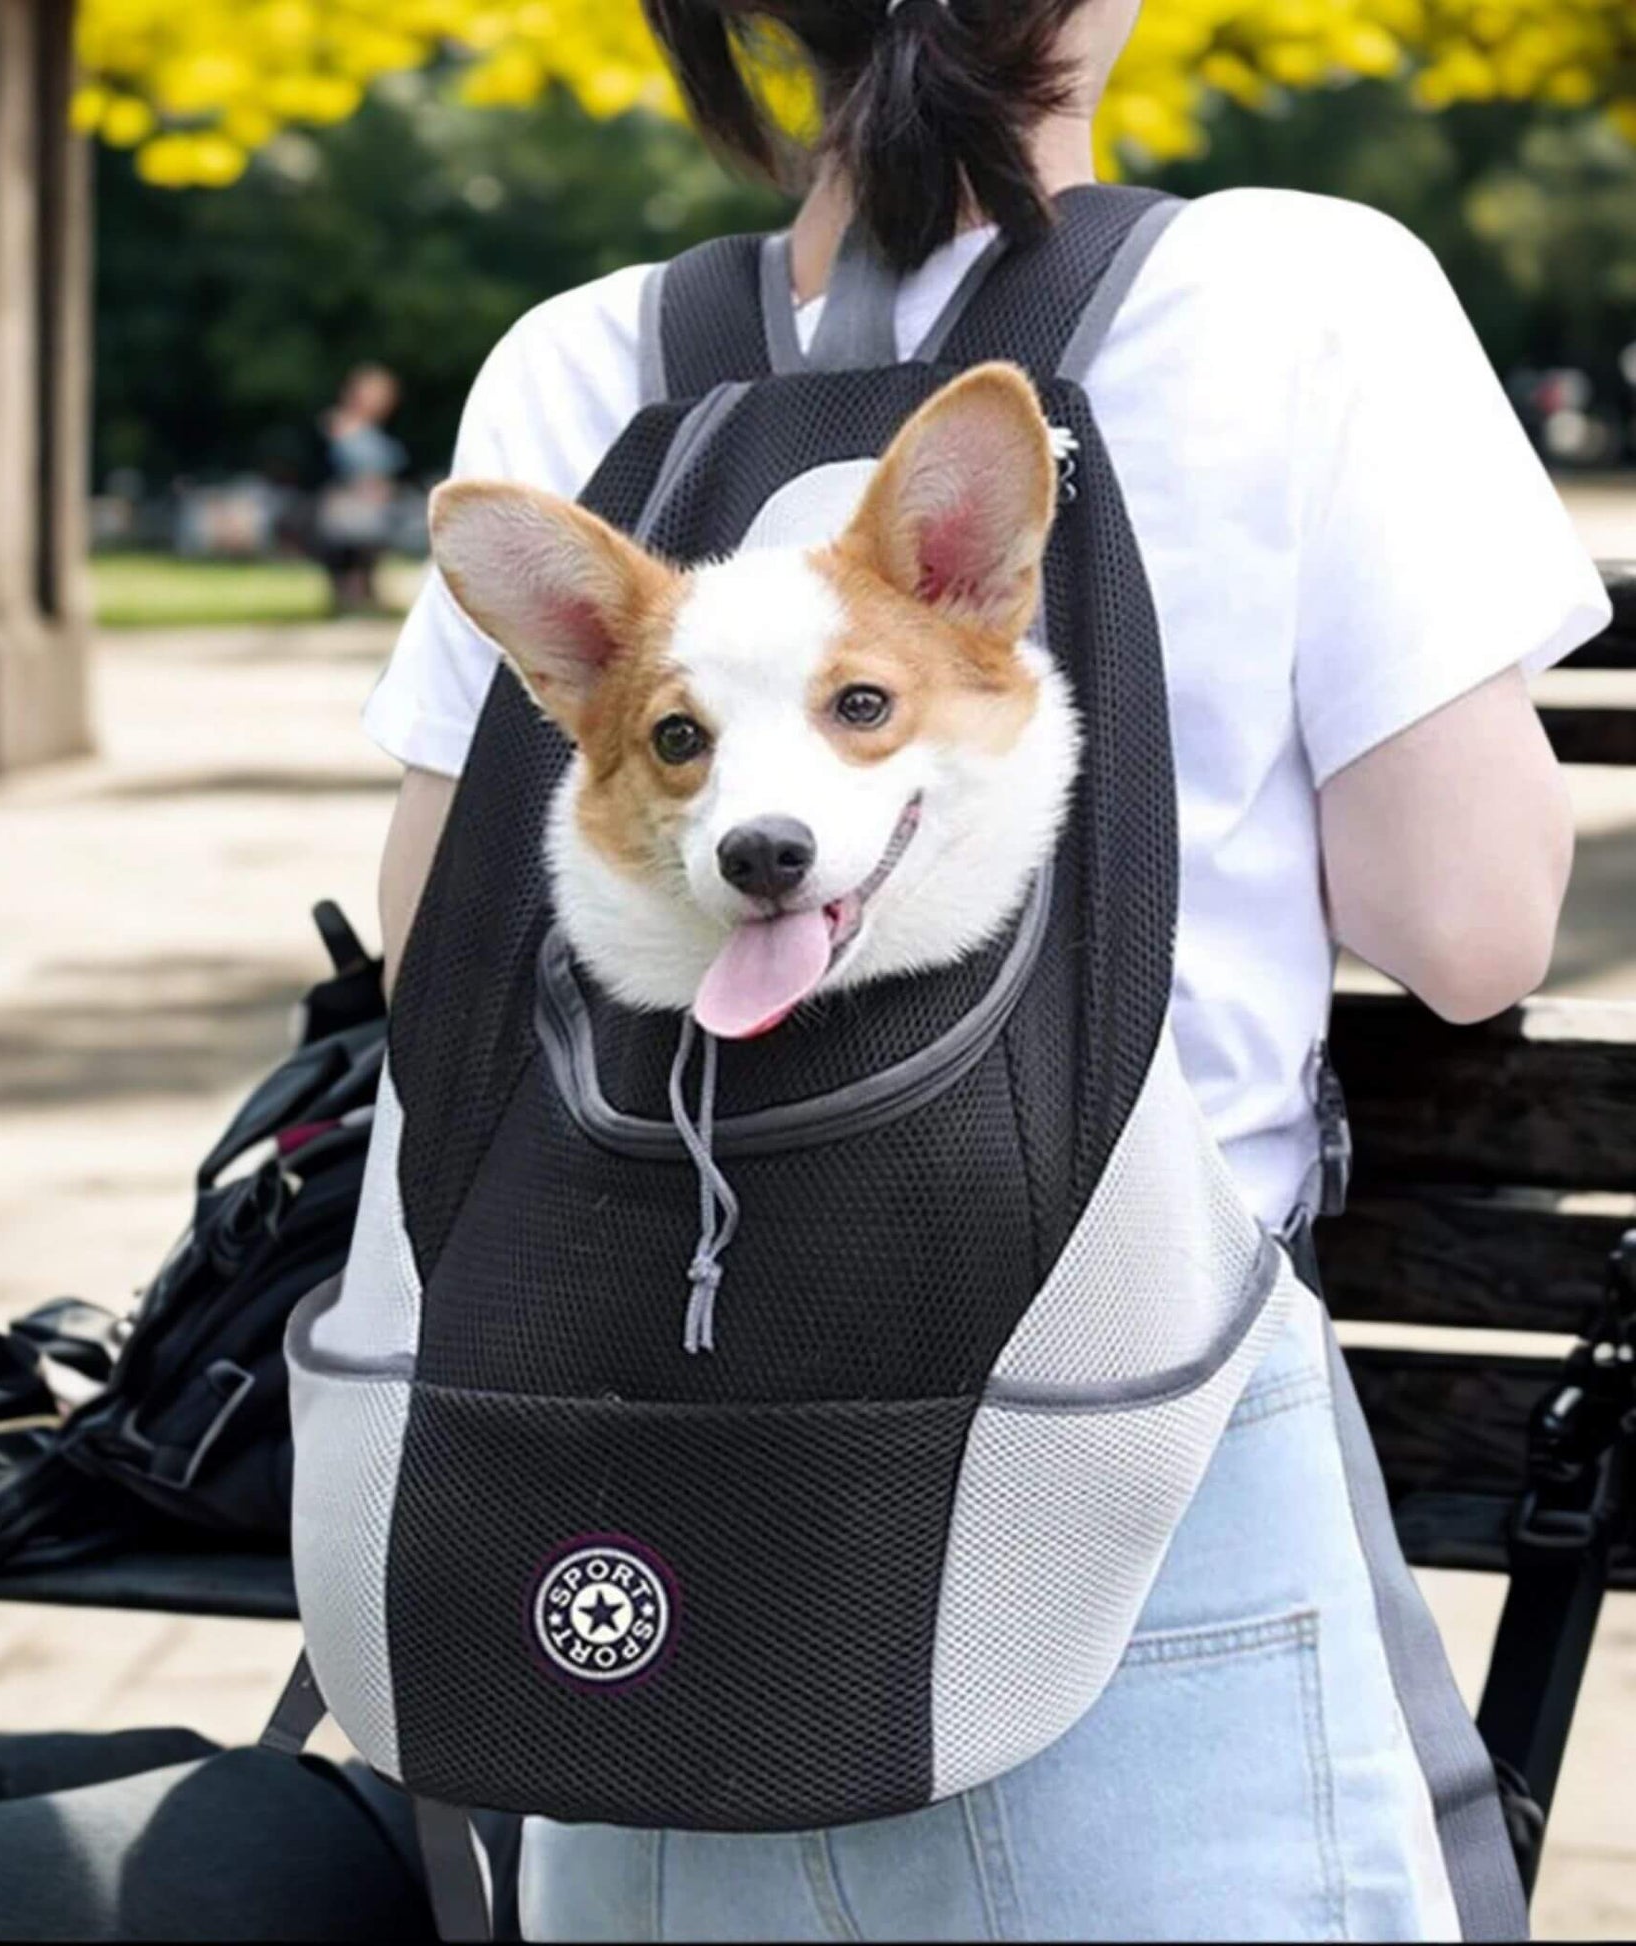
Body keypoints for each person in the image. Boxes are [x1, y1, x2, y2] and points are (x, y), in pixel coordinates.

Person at [364, 0, 1611, 1938]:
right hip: (1123, 1505)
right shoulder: (1304, 298)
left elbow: (425, 940)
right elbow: (1471, 932)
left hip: (632, 1545)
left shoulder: (578, 369)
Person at [315, 363, 408, 609]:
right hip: (342, 507)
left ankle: (361, 589)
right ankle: (351, 589)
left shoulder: (376, 434)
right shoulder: (336, 429)